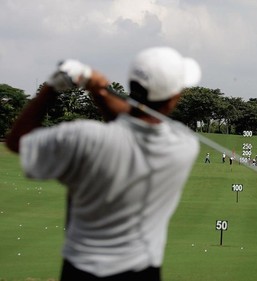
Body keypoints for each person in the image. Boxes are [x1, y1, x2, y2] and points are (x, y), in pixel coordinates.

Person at [6, 46, 202, 281]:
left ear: (132, 84)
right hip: (144, 271)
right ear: (174, 98)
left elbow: (18, 141)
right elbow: (132, 120)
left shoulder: (84, 137)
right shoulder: (184, 145)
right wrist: (98, 92)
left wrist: (53, 86)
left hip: (80, 270)